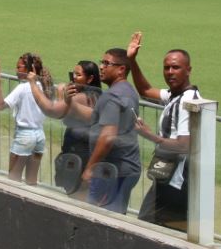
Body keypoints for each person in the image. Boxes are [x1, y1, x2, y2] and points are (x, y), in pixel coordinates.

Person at [126, 31, 199, 230]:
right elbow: (145, 91)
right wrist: (132, 61)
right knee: (155, 226)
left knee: (149, 227)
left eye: (176, 67)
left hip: (176, 180)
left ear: (188, 70)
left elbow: (184, 145)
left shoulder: (187, 100)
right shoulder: (176, 94)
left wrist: (150, 135)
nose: (170, 72)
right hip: (167, 174)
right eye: (166, 68)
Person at [28, 60, 101, 196]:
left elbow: (52, 110)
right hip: (87, 153)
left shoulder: (81, 98)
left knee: (76, 196)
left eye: (78, 75)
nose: (73, 78)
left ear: (90, 78)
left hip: (78, 155)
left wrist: (33, 84)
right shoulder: (97, 96)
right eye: (73, 74)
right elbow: (67, 118)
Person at [82, 47, 141, 213]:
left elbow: (108, 137)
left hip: (111, 172)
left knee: (100, 219)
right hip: (126, 168)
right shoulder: (129, 91)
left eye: (107, 63)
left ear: (121, 69)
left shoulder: (112, 97)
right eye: (102, 62)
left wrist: (89, 168)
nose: (101, 66)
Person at [0, 53, 48, 186]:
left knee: (13, 181)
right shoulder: (43, 87)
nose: (16, 70)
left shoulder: (22, 88)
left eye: (19, 67)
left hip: (24, 137)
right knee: (31, 182)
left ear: (29, 70)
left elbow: (0, 106)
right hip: (40, 136)